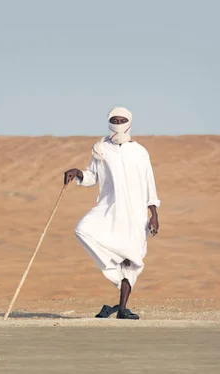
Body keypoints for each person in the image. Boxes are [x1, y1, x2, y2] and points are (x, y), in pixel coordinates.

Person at [64, 106, 160, 320]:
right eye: (114, 120)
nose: (118, 124)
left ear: (130, 123)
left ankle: (122, 308)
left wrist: (153, 213)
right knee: (83, 230)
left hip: (135, 213)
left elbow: (149, 183)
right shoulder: (101, 148)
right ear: (109, 123)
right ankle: (117, 293)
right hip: (109, 209)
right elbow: (92, 176)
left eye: (122, 120)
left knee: (131, 260)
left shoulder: (140, 152)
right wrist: (78, 173)